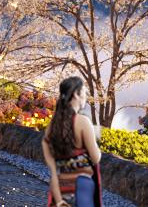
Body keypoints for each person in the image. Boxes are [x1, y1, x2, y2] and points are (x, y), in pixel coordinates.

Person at [42, 76, 101, 207]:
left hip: (61, 188)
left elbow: (54, 172)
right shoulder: (83, 122)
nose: (86, 96)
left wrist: (58, 201)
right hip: (82, 187)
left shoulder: (52, 127)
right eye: (84, 92)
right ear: (76, 94)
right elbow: (95, 158)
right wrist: (96, 138)